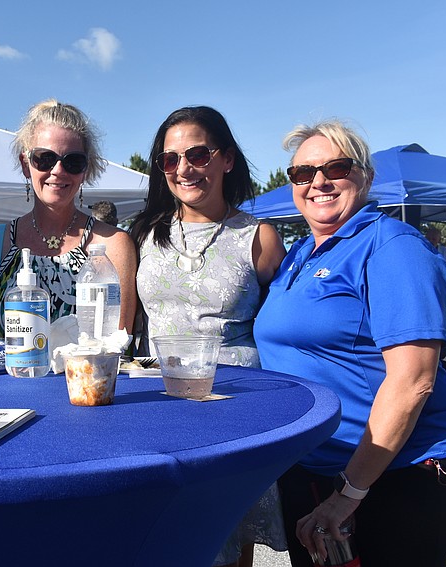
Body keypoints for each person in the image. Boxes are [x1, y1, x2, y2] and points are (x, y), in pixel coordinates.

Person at [254, 120, 446, 566]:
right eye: (302, 174)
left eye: (335, 167)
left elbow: (413, 381)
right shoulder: (302, 253)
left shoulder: (392, 245)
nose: (318, 182)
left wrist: (349, 494)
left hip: (390, 478)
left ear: (364, 175)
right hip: (317, 470)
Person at [129, 105, 287, 567]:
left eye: (197, 154)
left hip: (236, 403)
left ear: (227, 159)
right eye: (170, 159)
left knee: (231, 530)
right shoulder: (143, 234)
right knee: (164, 531)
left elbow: (281, 328)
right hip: (157, 400)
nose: (183, 169)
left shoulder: (259, 237)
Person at [0, 100, 137, 336]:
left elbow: (119, 341)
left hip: (89, 373)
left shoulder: (113, 245)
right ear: (25, 164)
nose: (58, 171)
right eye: (45, 158)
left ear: (85, 170)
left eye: (73, 161)